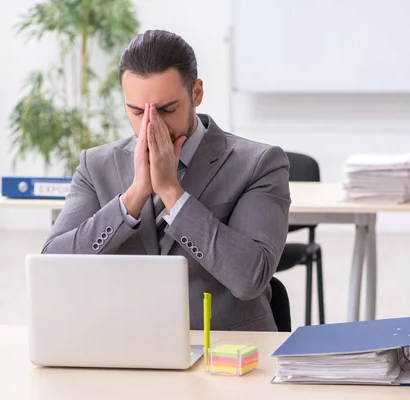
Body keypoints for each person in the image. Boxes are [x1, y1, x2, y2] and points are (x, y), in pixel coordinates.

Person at [42, 29, 291, 332]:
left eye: (166, 109)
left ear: (196, 93)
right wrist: (133, 198)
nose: (151, 124)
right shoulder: (95, 165)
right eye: (136, 111)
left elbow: (250, 278)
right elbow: (52, 269)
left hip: (226, 351)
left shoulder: (259, 164)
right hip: (122, 346)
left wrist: (172, 193)